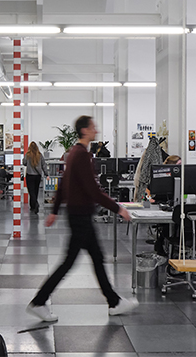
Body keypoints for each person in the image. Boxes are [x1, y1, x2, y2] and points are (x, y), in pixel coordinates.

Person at [26, 116, 138, 322]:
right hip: (80, 216)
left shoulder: (74, 153)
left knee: (95, 258)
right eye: (93, 127)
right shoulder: (81, 155)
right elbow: (93, 191)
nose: (96, 131)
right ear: (85, 130)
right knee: (71, 262)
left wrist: (55, 211)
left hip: (79, 214)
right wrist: (118, 208)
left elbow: (64, 184)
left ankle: (113, 302)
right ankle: (39, 302)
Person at [23, 142, 48, 214]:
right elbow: (44, 165)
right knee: (36, 191)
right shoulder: (40, 155)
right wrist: (46, 174)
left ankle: (35, 204)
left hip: (29, 175)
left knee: (31, 192)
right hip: (37, 176)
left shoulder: (27, 155)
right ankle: (33, 206)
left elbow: (24, 163)